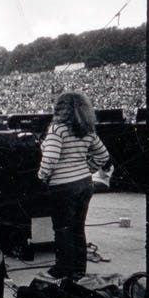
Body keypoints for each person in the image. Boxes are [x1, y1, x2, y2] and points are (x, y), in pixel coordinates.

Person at [37, 92, 110, 279]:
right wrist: (86, 169)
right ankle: (79, 270)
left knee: (62, 229)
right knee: (78, 228)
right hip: (85, 183)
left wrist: (42, 177)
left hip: (62, 187)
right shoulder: (88, 130)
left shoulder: (57, 129)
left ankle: (63, 269)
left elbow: (51, 158)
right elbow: (103, 156)